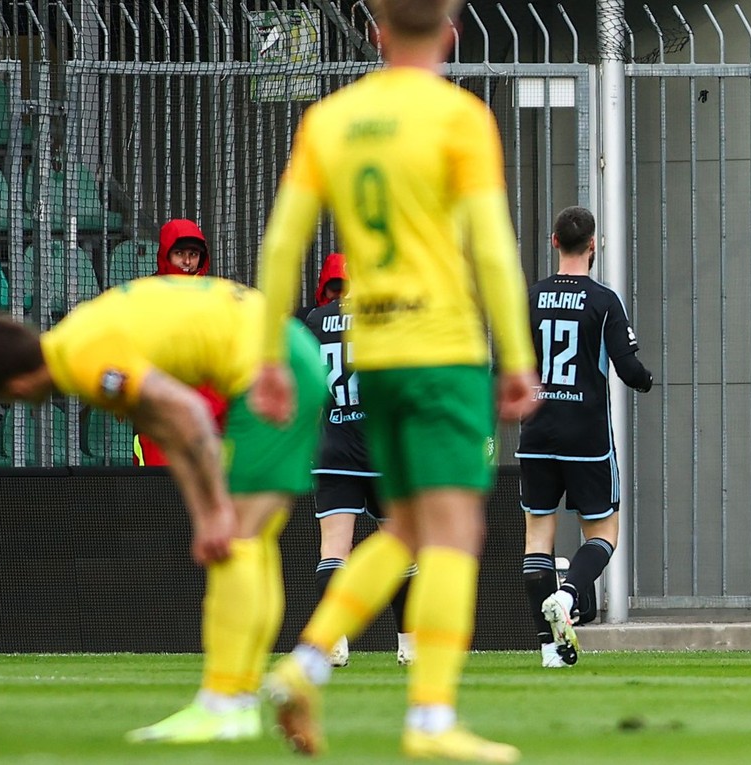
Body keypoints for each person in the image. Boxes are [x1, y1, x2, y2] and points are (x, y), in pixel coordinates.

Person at [250, 0, 539, 760]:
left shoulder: (332, 119)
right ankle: (431, 720)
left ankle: (305, 663)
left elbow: (282, 244)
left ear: (376, 31)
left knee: (410, 527)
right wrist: (515, 356)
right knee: (454, 532)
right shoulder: (458, 118)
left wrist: (269, 356)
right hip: (441, 350)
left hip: (372, 354)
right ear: (451, 31)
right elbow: (495, 249)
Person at [0, 276, 327, 743]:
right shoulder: (77, 343)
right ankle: (239, 700)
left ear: (13, 382)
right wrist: (204, 514)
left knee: (237, 540)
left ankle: (224, 703)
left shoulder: (82, 358)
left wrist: (214, 512)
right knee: (251, 541)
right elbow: (168, 431)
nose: (14, 406)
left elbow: (190, 412)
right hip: (286, 353)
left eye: (2, 397)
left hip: (272, 369)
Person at [517, 206, 653, 669]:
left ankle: (549, 649)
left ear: (553, 241)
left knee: (538, 537)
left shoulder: (528, 298)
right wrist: (647, 379)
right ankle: (571, 595)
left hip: (535, 432)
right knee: (603, 532)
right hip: (586, 435)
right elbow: (629, 369)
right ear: (593, 245)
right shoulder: (603, 300)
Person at [298, 252, 416, 668]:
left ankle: (333, 641)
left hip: (332, 448)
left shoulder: (313, 321)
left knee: (334, 549)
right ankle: (408, 644)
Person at [133, 219, 229, 467]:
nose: (187, 262)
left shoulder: (217, 298)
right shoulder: (143, 298)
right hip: (160, 417)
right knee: (158, 497)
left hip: (209, 415)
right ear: (166, 253)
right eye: (180, 254)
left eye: (193, 254)